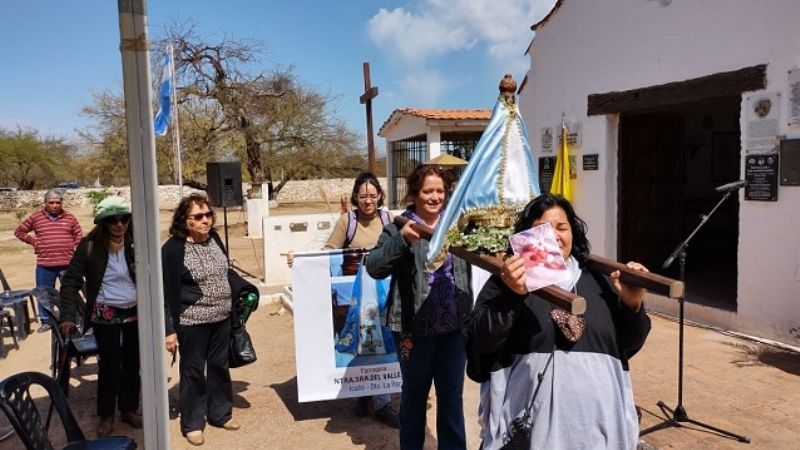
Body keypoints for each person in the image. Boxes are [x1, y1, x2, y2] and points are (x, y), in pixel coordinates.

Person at [465, 193, 651, 449]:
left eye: (562, 228)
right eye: (542, 229)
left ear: (573, 233)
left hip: (596, 428)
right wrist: (511, 296)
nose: (553, 236)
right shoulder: (507, 281)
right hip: (532, 429)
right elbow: (480, 342)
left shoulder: (598, 282)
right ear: (524, 238)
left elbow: (629, 344)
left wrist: (633, 304)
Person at [366, 164, 473, 450]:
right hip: (413, 331)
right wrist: (402, 242)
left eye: (440, 191)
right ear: (415, 193)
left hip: (453, 330)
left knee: (452, 397)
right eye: (428, 191)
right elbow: (374, 267)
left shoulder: (459, 227)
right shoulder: (398, 227)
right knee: (414, 397)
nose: (435, 197)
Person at [288, 172, 399, 428]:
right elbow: (329, 252)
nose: (368, 200)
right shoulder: (346, 222)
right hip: (356, 297)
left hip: (383, 296)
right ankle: (362, 394)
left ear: (380, 196)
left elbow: (398, 250)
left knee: (382, 343)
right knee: (360, 343)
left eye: (372, 195)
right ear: (355, 197)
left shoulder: (388, 220)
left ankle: (383, 403)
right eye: (363, 196)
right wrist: (302, 262)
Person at [59, 196, 142, 437]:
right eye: (112, 220)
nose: (119, 225)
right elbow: (71, 281)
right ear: (103, 223)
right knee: (109, 363)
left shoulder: (137, 243)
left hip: (135, 312)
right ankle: (106, 415)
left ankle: (128, 408)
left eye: (124, 219)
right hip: (105, 313)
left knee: (132, 361)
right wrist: (67, 315)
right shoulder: (90, 245)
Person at [162, 193, 241, 446]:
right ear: (185, 221)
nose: (206, 220)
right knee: (193, 370)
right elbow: (164, 292)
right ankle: (193, 423)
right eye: (198, 216)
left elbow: (225, 273)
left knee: (219, 366)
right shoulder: (173, 250)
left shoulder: (215, 239)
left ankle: (220, 413)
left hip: (221, 317)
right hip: (192, 321)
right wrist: (169, 329)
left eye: (208, 215)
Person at [15, 189, 82, 332]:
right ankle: (46, 320)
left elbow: (78, 234)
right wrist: (34, 241)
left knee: (70, 292)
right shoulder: (36, 218)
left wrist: (76, 248)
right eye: (51, 202)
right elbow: (19, 232)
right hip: (45, 264)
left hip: (67, 264)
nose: (55, 205)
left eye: (58, 202)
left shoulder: (69, 217)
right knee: (44, 293)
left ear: (62, 203)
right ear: (45, 203)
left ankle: (73, 317)